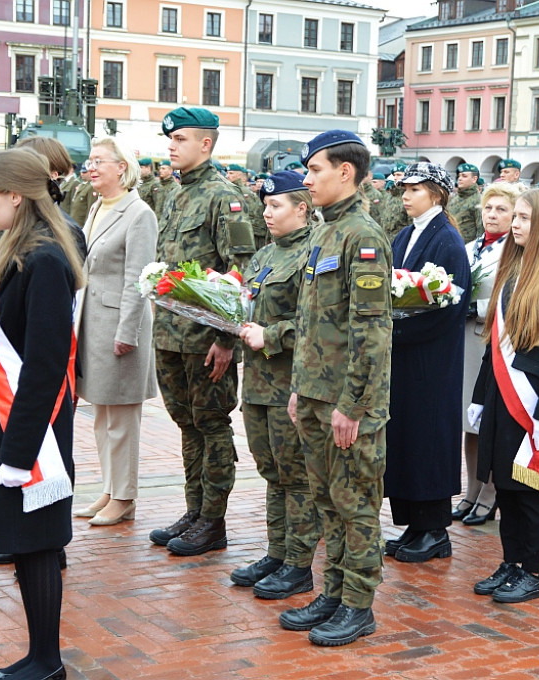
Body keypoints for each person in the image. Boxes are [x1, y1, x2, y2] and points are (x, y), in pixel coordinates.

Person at [0, 148, 85, 680]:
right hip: (2, 413)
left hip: (31, 424)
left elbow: (47, 364)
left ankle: (46, 661)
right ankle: (38, 657)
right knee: (27, 541)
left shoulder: (46, 259)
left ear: (14, 195)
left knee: (38, 540)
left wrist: (19, 449)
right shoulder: (20, 250)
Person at [281, 130, 391, 646]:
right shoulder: (323, 233)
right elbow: (313, 323)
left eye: (315, 170)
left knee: (356, 504)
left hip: (349, 404)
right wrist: (302, 388)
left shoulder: (362, 237)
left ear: (345, 172)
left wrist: (353, 404)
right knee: (326, 500)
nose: (307, 179)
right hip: (317, 396)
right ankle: (333, 591)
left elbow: (370, 333)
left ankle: (359, 603)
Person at [148, 107, 255, 556]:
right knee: (186, 425)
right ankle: (194, 510)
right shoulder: (174, 194)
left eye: (181, 140)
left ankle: (213, 520)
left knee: (211, 425)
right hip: (170, 333)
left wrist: (227, 338)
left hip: (206, 339)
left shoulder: (224, 198)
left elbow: (241, 271)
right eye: (170, 140)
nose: (171, 146)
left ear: (206, 144)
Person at [470, 188, 539, 603]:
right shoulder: (511, 270)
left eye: (524, 218)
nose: (515, 224)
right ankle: (511, 561)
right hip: (502, 395)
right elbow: (494, 343)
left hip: (533, 403)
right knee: (506, 485)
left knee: (532, 492)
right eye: (514, 216)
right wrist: (481, 396)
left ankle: (533, 571)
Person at [230, 171, 323, 599]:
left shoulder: (315, 253)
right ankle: (278, 551)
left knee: (297, 475)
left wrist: (271, 334)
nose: (267, 213)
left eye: (277, 206)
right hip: (258, 383)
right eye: (265, 206)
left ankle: (299, 564)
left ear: (302, 208)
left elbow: (316, 322)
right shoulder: (264, 254)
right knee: (272, 472)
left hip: (291, 382)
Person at [383, 163, 470, 563]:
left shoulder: (447, 240)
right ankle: (414, 524)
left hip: (431, 361)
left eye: (414, 189)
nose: (405, 195)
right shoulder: (405, 234)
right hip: (405, 356)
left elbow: (448, 306)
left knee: (429, 439)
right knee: (407, 439)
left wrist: (397, 332)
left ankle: (435, 530)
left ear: (436, 194)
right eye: (403, 188)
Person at [73, 137, 158, 526]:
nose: (91, 167)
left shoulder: (138, 213)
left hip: (121, 328)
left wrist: (127, 331)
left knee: (122, 418)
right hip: (93, 323)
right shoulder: (97, 207)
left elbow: (137, 279)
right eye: (90, 161)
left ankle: (125, 497)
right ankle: (110, 488)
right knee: (102, 414)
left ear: (121, 167)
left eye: (99, 161)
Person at [455, 183, 521, 526]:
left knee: (489, 421)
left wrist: (476, 307)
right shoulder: (470, 247)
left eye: (501, 210)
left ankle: (490, 492)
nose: (492, 215)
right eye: (488, 208)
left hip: (491, 338)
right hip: (464, 339)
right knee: (470, 422)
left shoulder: (515, 250)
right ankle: (471, 490)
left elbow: (512, 296)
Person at [447, 163, 483, 243]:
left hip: (466, 247)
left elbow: (481, 231)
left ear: (474, 179)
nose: (459, 179)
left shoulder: (478, 201)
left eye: (464, 176)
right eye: (459, 176)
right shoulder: (454, 199)